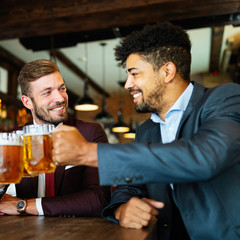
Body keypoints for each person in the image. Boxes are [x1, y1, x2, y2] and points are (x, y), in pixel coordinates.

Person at [52, 22, 240, 239]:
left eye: (135, 74)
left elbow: (204, 157)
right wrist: (123, 208)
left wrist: (87, 152)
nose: (127, 84)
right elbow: (128, 187)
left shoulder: (225, 99)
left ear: (167, 71)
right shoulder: (146, 131)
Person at [0, 59, 111, 217]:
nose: (60, 98)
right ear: (27, 102)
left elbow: (99, 199)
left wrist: (24, 205)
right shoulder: (13, 138)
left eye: (62, 88)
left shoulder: (90, 132)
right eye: (47, 92)